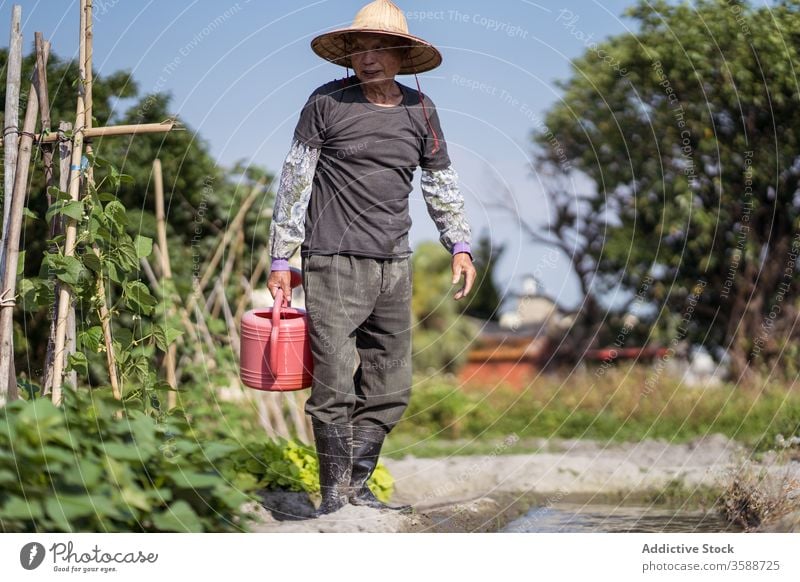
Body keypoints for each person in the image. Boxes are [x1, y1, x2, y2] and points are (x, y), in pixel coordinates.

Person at [267, 0, 476, 516]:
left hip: (394, 263)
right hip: (332, 260)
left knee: (390, 386)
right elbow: (296, 180)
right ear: (349, 56)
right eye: (360, 48)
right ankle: (335, 497)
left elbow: (440, 182)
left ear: (402, 55)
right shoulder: (326, 103)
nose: (368, 57)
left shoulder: (420, 111)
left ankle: (356, 488)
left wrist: (460, 244)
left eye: (380, 47)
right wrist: (280, 257)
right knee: (334, 381)